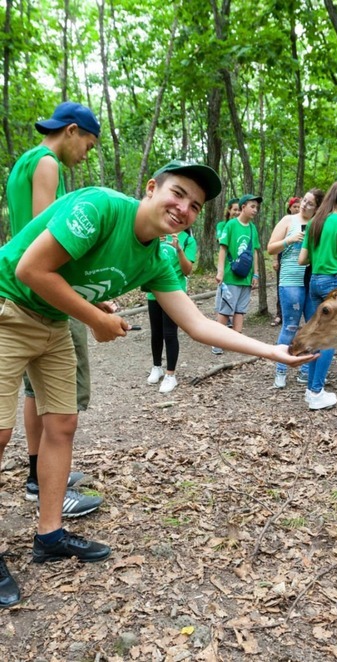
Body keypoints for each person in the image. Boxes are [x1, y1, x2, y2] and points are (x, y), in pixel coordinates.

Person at [0, 160, 313, 608]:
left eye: (195, 206)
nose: (184, 208)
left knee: (62, 423)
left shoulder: (159, 256)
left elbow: (198, 323)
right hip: (8, 305)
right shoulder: (101, 208)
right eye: (178, 194)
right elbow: (32, 269)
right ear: (151, 188)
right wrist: (96, 318)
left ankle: (49, 535)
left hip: (51, 321)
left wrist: (271, 352)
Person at [5, 101, 103, 520]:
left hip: (23, 289)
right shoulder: (48, 163)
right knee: (59, 395)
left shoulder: (24, 161)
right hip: (44, 291)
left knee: (36, 391)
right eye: (88, 144)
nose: (87, 154)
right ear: (71, 130)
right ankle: (49, 487)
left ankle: (37, 474)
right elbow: (48, 228)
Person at [298, 182, 337, 410]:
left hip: (314, 281)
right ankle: (316, 391)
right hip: (333, 283)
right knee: (329, 338)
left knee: (316, 335)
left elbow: (302, 259)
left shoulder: (315, 222)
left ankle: (311, 390)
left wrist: (321, 253)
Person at [267, 188, 324, 388]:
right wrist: (289, 240)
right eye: (304, 200)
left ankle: (306, 369)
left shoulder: (318, 225)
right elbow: (270, 247)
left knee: (312, 326)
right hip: (290, 279)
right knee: (290, 326)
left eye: (310, 203)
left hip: (312, 281)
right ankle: (281, 371)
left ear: (317, 208)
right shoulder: (287, 220)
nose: (305, 205)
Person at [146, 229, 197, 393]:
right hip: (154, 291)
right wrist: (154, 244)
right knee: (156, 332)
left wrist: (179, 249)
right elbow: (147, 260)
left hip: (175, 292)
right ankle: (157, 366)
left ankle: (170, 375)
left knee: (169, 332)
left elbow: (187, 270)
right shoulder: (156, 235)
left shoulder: (188, 240)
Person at [214, 194, 261, 339]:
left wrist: (256, 274)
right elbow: (223, 248)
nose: (255, 210)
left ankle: (237, 340)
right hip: (231, 275)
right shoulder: (231, 225)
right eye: (252, 207)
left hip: (246, 277)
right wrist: (220, 271)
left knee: (240, 310)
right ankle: (217, 340)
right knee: (226, 309)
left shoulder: (253, 228)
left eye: (256, 208)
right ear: (243, 207)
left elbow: (255, 252)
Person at [271, 197, 301, 328]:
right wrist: (275, 260)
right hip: (284, 259)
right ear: (290, 208)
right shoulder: (286, 221)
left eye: (299, 207)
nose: (297, 209)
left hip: (300, 262)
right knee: (281, 287)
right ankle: (279, 315)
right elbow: (275, 243)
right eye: (295, 207)